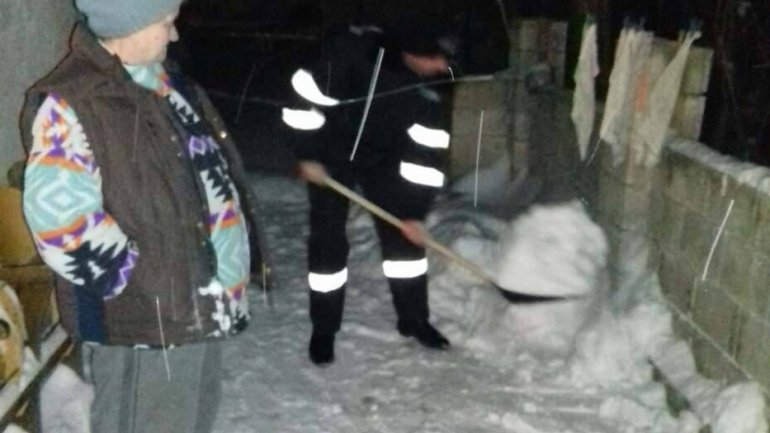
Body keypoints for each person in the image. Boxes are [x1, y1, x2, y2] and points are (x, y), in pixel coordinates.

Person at [19, 1, 263, 431]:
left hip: (198, 308)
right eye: (165, 23)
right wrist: (135, 280)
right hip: (146, 326)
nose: (175, 35)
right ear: (127, 24)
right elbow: (61, 221)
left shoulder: (168, 87)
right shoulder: (75, 103)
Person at [281, 15, 456, 366]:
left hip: (384, 160)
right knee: (328, 240)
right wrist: (308, 155)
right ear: (414, 50)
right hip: (330, 156)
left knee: (403, 240)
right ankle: (324, 329)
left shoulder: (431, 88)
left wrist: (414, 214)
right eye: (436, 58)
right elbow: (303, 99)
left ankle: (414, 319)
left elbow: (426, 154)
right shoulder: (353, 52)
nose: (442, 67)